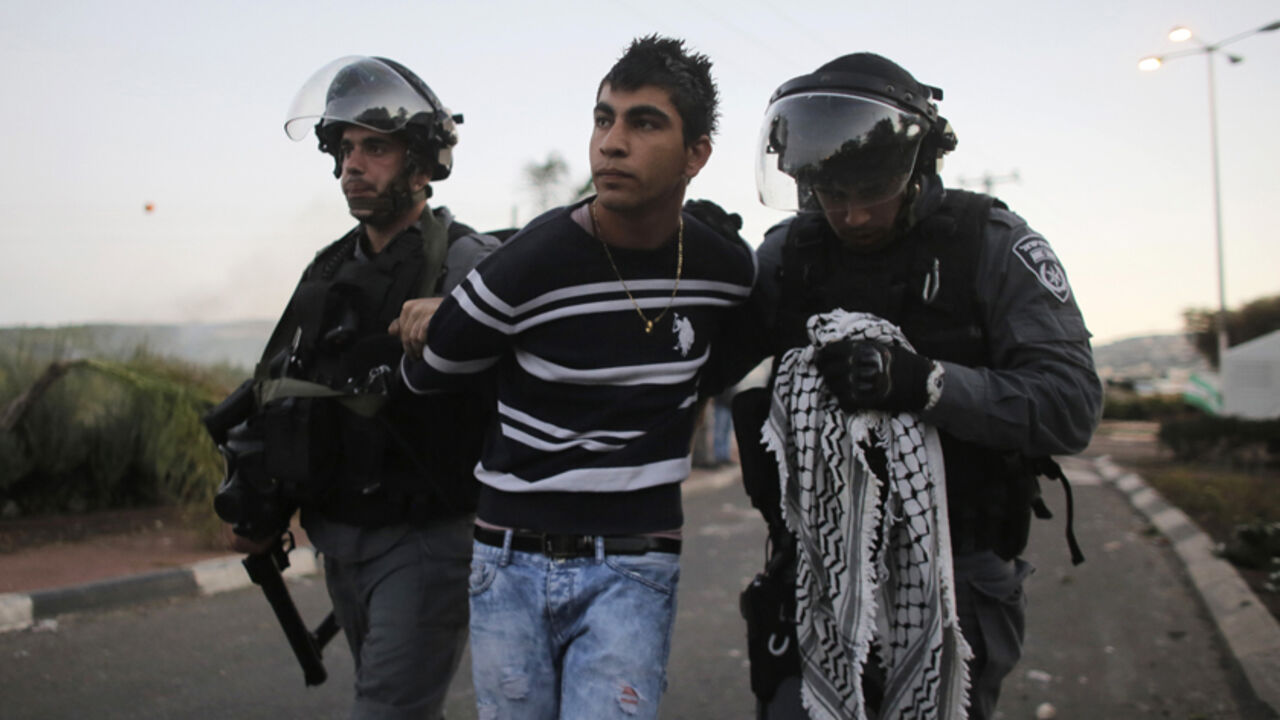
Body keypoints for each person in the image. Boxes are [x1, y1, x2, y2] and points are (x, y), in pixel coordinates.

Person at [397, 35, 756, 719]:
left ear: (697, 154)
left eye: (643, 122)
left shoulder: (723, 271)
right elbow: (430, 372)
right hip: (508, 563)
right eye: (603, 119)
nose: (611, 143)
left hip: (635, 562)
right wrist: (442, 319)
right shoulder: (527, 264)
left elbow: (731, 357)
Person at [737, 53, 1103, 719]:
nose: (851, 216)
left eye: (869, 191)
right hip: (815, 569)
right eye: (830, 192)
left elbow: (1071, 406)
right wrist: (698, 255)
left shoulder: (989, 245)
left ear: (921, 163)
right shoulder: (789, 253)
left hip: (955, 571)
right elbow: (704, 350)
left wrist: (925, 384)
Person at [226, 55, 500, 719]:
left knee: (384, 710)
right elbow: (281, 387)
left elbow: (527, 368)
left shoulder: (467, 263)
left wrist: (459, 319)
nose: (354, 165)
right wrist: (260, 505)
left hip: (427, 541)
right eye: (346, 149)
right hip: (340, 539)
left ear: (422, 161)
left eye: (376, 148)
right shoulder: (329, 268)